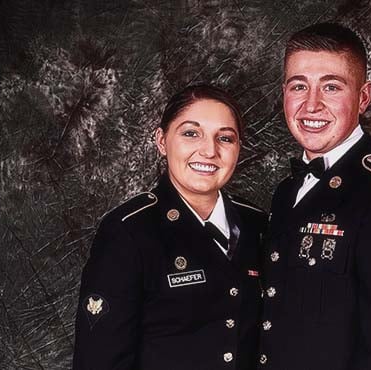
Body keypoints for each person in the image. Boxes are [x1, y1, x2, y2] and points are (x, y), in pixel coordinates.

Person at [258, 23, 371, 370]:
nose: (311, 105)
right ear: (283, 92)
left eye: (331, 87)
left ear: (363, 97)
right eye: (299, 86)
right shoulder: (287, 193)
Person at [73, 85, 267, 370]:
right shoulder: (129, 232)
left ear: (239, 148)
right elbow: (100, 360)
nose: (209, 150)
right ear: (162, 141)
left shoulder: (258, 224)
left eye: (225, 138)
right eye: (191, 133)